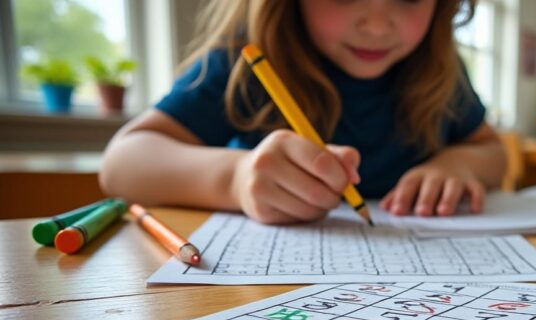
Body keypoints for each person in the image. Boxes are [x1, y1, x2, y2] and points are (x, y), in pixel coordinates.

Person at [100, 0, 506, 224]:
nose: (379, 25)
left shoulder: (438, 71)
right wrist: (237, 178)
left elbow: (491, 149)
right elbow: (123, 163)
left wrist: (458, 164)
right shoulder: (243, 62)